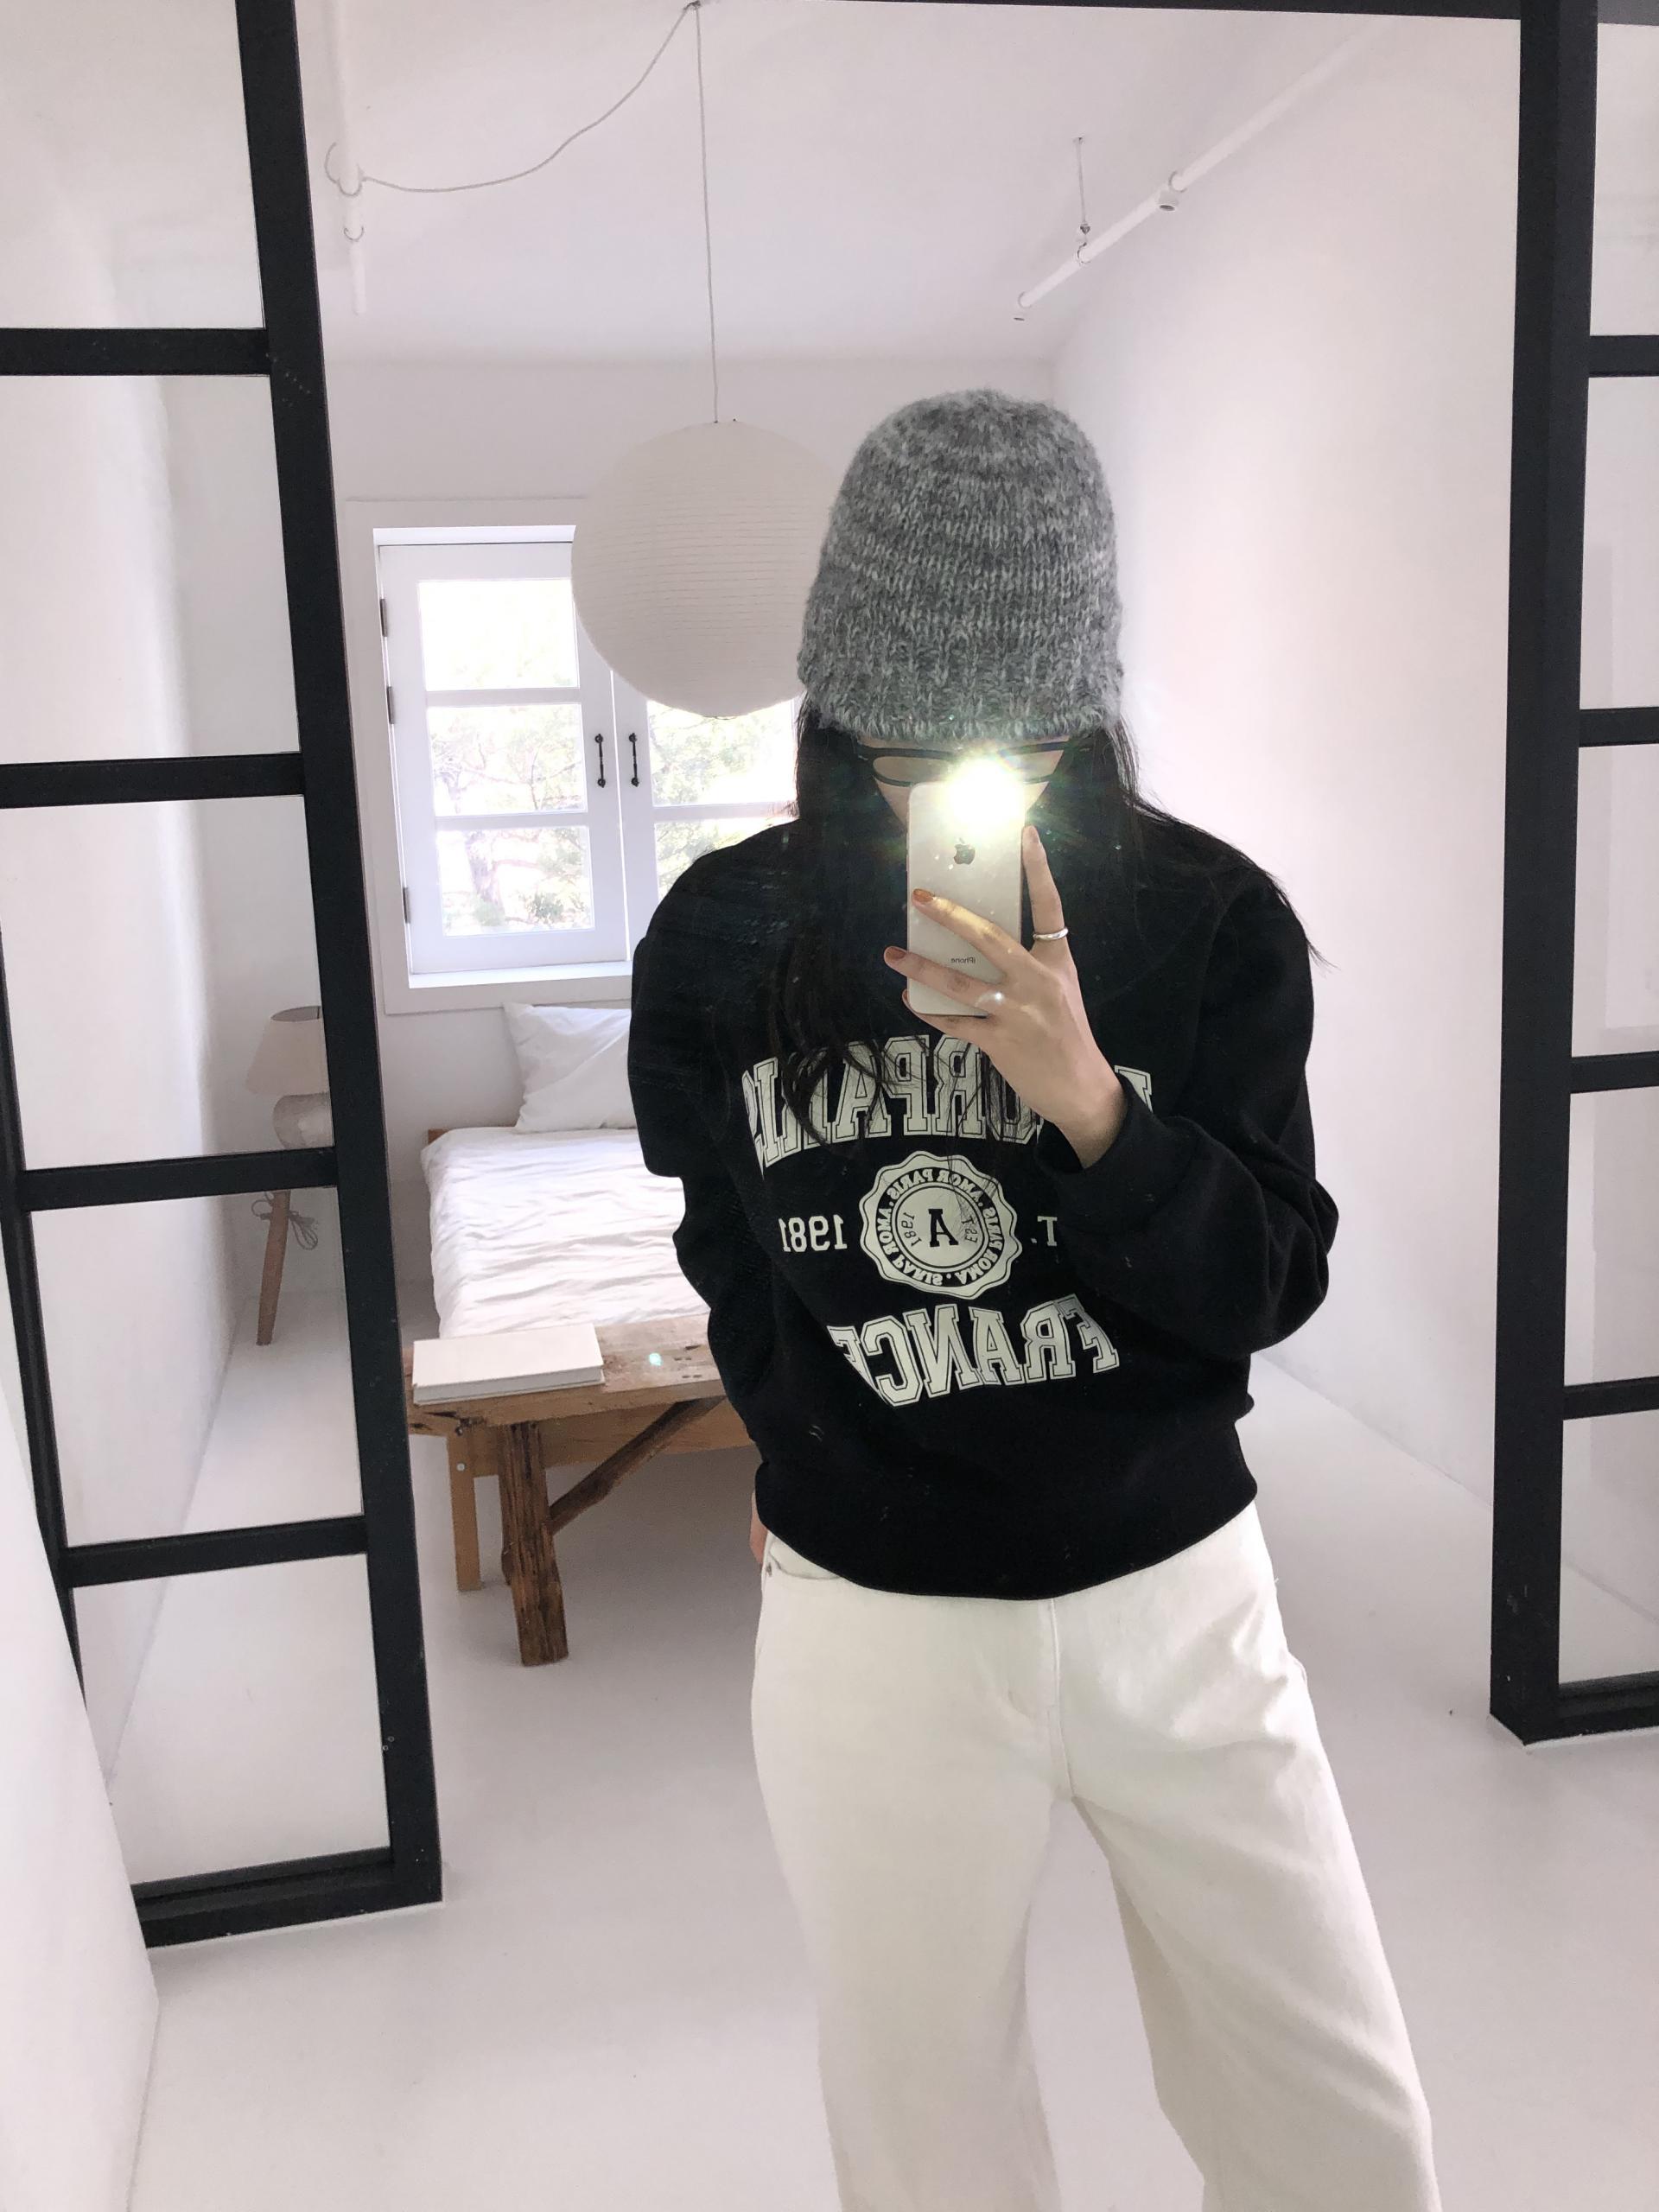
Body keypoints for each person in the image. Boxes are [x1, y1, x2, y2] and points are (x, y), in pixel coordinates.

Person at [626, 387, 1442, 2212]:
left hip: (1179, 1596)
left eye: (1007, 738)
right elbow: (726, 1246)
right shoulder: (722, 938)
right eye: (903, 735)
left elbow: (1269, 1279)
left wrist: (1089, 1100)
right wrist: (797, 1448)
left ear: (1082, 699)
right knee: (931, 2145)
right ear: (835, 690)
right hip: (873, 1622)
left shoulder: (1206, 920)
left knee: (1341, 2129)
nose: (943, 784)